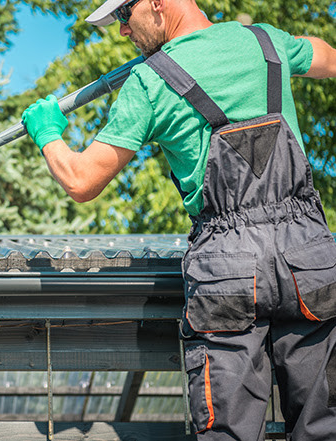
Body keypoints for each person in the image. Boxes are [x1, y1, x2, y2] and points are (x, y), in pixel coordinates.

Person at [21, 0, 336, 439]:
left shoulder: (150, 82)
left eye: (122, 18)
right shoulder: (266, 42)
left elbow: (81, 180)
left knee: (228, 431)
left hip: (228, 266)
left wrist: (48, 133)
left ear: (155, 3)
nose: (122, 33)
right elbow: (328, 58)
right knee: (326, 425)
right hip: (309, 254)